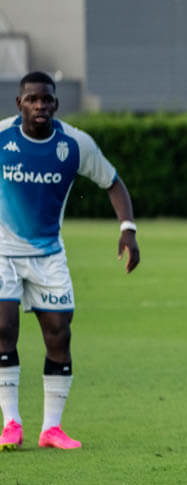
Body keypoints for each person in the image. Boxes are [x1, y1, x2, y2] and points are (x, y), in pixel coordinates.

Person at [0, 71, 139, 452]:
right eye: (32, 99)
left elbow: (112, 182)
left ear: (56, 103)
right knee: (3, 328)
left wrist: (128, 228)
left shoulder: (75, 144)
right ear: (19, 103)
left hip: (48, 254)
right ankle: (10, 422)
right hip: (3, 252)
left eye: (46, 99)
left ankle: (51, 429)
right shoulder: (2, 138)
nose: (40, 105)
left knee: (59, 334)